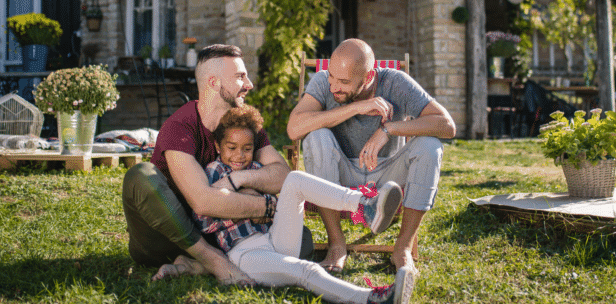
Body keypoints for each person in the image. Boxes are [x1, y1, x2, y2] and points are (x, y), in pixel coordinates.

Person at [161, 105, 415, 304]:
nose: (239, 155)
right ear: (217, 146)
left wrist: (249, 195)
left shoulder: (257, 169)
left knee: (294, 178)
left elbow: (279, 199)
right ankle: (370, 298)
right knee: (306, 270)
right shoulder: (212, 171)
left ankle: (364, 206)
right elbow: (205, 216)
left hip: (276, 238)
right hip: (245, 255)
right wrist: (254, 201)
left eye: (247, 148)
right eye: (232, 147)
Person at [121, 44, 300, 284]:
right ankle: (213, 261)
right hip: (166, 239)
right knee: (141, 176)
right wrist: (267, 207)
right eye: (240, 77)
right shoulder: (180, 126)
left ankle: (193, 267)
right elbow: (203, 202)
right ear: (214, 82)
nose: (249, 85)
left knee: (303, 240)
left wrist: (240, 178)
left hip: (223, 233)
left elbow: (282, 174)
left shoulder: (243, 124)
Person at [287, 38, 456, 273]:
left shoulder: (396, 82)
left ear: (368, 78)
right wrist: (355, 107)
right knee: (316, 137)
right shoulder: (323, 82)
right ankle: (336, 244)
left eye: (344, 82)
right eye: (332, 77)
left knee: (430, 146)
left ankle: (403, 248)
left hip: (388, 177)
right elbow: (294, 128)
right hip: (341, 173)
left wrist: (388, 129)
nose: (334, 86)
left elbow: (446, 125)